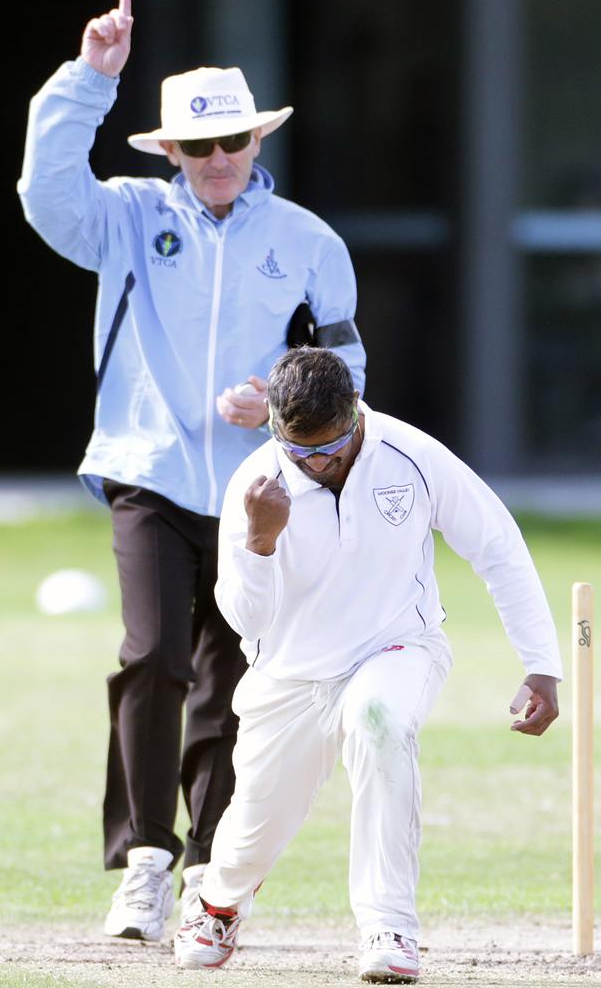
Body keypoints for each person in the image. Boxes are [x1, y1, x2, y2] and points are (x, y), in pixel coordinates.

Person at [17, 0, 366, 942]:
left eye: (232, 144)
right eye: (197, 149)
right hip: (145, 468)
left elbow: (347, 369)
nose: (217, 163)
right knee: (153, 653)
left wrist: (284, 408)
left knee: (231, 676)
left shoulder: (307, 241)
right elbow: (44, 191)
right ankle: (144, 861)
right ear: (168, 151)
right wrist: (88, 80)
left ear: (256, 141)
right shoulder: (123, 218)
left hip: (259, 486)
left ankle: (214, 866)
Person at [173, 347, 561, 982]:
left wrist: (541, 662)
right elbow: (245, 621)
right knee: (253, 827)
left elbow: (498, 546)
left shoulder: (412, 454)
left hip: (397, 644)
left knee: (379, 721)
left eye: (332, 446)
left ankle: (389, 927)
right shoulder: (254, 484)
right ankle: (217, 904)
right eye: (301, 453)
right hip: (290, 672)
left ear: (355, 414)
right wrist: (261, 541)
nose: (319, 465)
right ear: (275, 428)